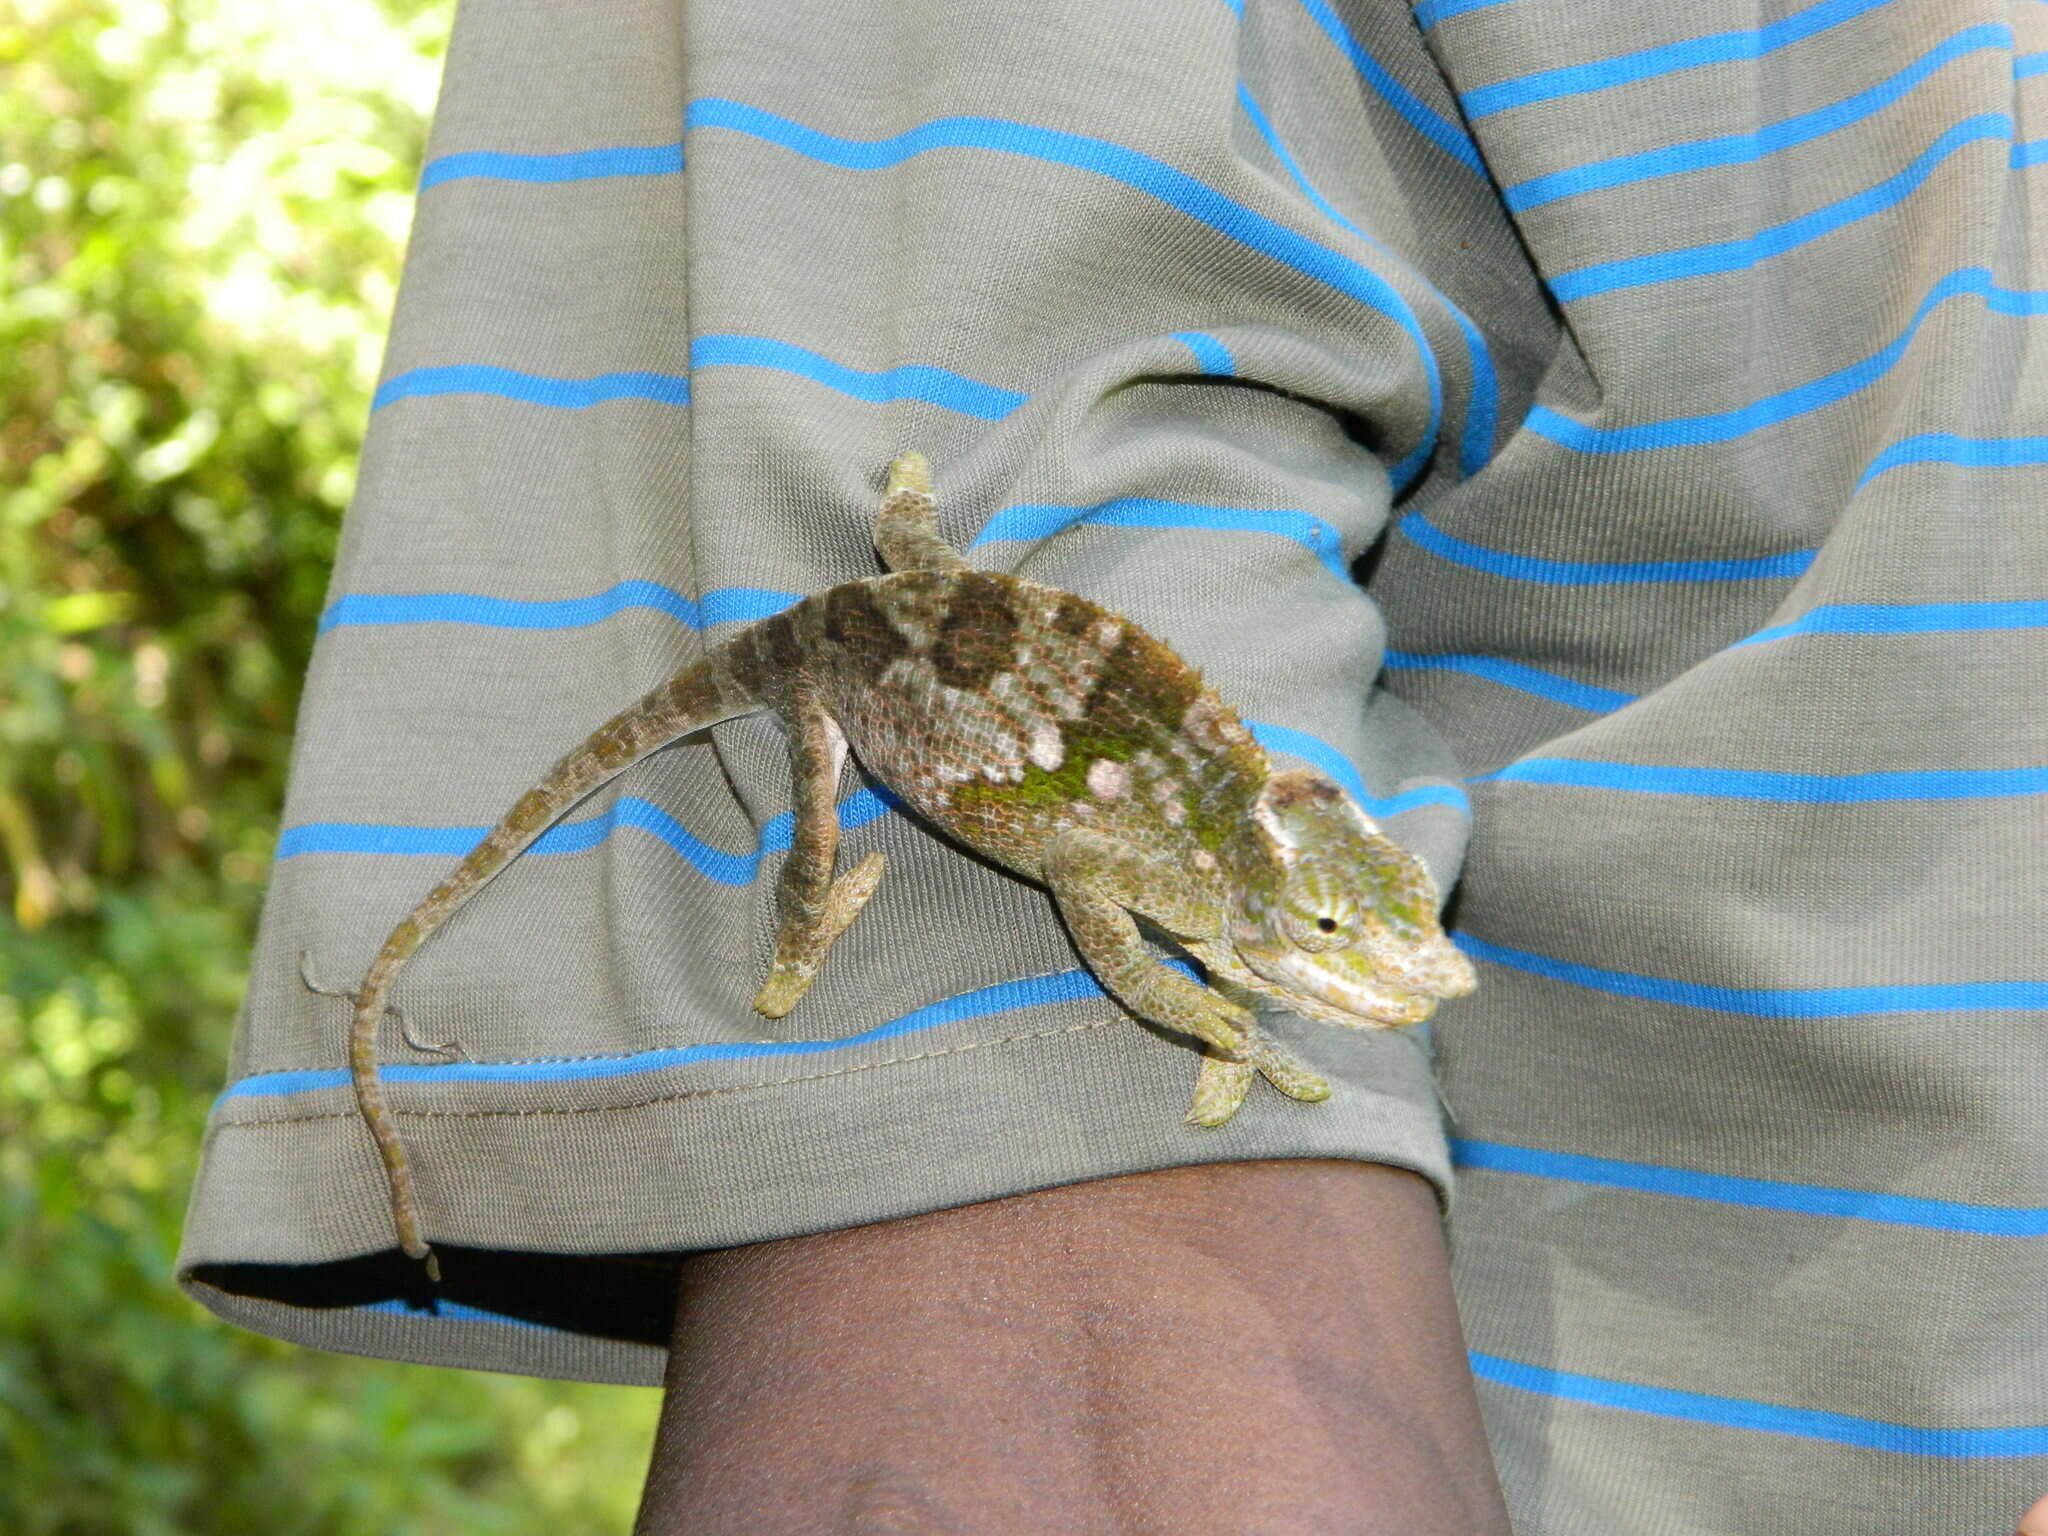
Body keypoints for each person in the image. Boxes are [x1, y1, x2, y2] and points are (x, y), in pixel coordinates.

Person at [179, 0, 2047, 1529]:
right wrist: (1196, 1052)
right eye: (1340, 944)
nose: (1366, 963)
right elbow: (1090, 910)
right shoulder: (1185, 871)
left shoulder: (1241, 845)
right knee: (819, 823)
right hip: (899, 723)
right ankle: (810, 900)